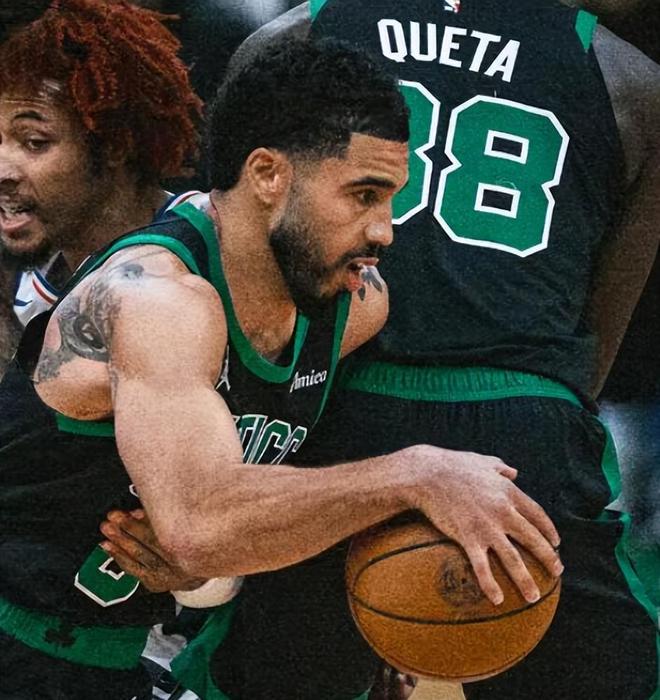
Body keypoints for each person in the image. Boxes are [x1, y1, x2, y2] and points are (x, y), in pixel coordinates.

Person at [0, 10, 562, 700]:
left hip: (108, 655)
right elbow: (199, 521)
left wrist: (217, 570)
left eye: (391, 199)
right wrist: (415, 474)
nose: (385, 230)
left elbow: (242, 515)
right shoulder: (158, 301)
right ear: (268, 174)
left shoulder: (354, 305)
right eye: (362, 195)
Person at [129, 1, 656, 698]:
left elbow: (235, 257)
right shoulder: (630, 78)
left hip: (332, 399)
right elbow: (599, 332)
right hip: (526, 420)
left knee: (257, 673)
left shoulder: (293, 33)